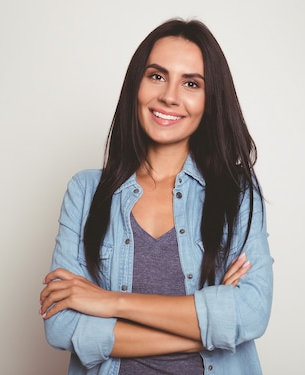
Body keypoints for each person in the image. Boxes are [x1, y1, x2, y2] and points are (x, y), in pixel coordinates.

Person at [39, 18, 274, 375]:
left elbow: (252, 313)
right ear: (137, 84)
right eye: (157, 76)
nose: (169, 96)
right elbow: (62, 326)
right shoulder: (85, 193)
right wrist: (209, 327)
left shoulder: (237, 191)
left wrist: (108, 302)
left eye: (191, 83)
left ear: (210, 101)